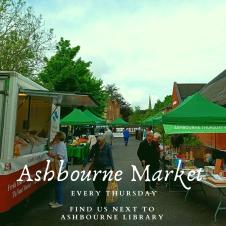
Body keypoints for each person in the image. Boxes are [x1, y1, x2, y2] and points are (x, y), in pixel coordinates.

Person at [82, 136, 114, 207]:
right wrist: (84, 164)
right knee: (96, 184)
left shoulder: (107, 147)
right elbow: (89, 156)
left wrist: (113, 169)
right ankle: (99, 195)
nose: (99, 143)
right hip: (96, 168)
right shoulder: (94, 147)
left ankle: (103, 204)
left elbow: (111, 158)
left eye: (100, 142)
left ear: (104, 141)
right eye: (98, 141)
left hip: (106, 168)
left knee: (103, 186)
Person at [47, 131, 68, 208]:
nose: (54, 136)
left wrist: (51, 155)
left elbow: (60, 157)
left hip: (59, 167)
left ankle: (59, 202)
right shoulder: (57, 144)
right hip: (57, 166)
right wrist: (52, 142)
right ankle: (56, 200)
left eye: (56, 135)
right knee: (56, 184)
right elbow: (49, 146)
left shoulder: (61, 145)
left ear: (59, 137)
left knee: (58, 184)